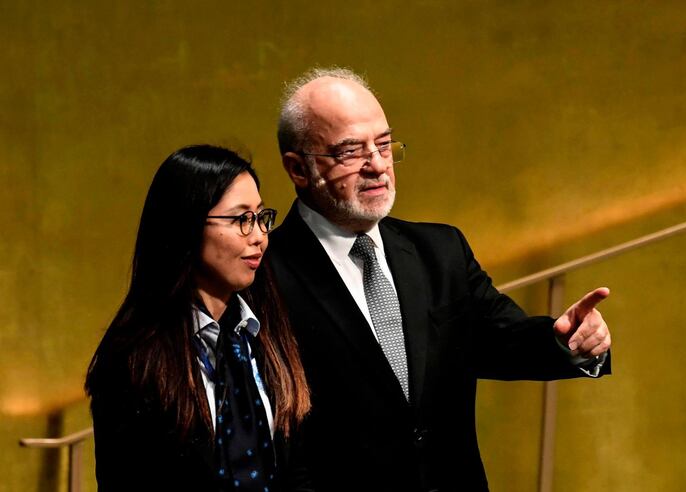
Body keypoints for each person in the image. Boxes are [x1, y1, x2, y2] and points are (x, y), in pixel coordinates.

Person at [267, 67, 612, 492]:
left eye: (385, 144)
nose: (377, 165)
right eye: (350, 151)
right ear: (298, 169)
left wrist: (569, 340)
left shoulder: (441, 250)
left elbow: (503, 339)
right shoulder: (262, 276)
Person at [85, 145, 312, 492]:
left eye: (261, 217)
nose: (259, 237)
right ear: (187, 226)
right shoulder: (133, 359)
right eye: (241, 220)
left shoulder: (269, 328)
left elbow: (296, 465)